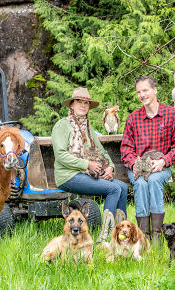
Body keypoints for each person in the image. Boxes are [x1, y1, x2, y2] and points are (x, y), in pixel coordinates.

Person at [52, 87, 129, 244]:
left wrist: (110, 167)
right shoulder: (62, 125)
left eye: (86, 103)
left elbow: (102, 151)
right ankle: (105, 236)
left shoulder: (88, 128)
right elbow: (60, 156)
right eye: (79, 102)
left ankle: (121, 232)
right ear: (71, 105)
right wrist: (87, 163)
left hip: (86, 174)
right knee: (113, 189)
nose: (83, 105)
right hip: (69, 176)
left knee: (123, 187)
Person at [121, 76, 175, 242]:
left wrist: (163, 161)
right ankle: (143, 237)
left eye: (145, 90)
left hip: (161, 167)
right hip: (138, 167)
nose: (142, 95)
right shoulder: (133, 118)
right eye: (138, 92)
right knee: (141, 184)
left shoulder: (172, 114)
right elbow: (126, 148)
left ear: (155, 90)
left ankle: (157, 236)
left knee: (154, 180)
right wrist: (136, 163)